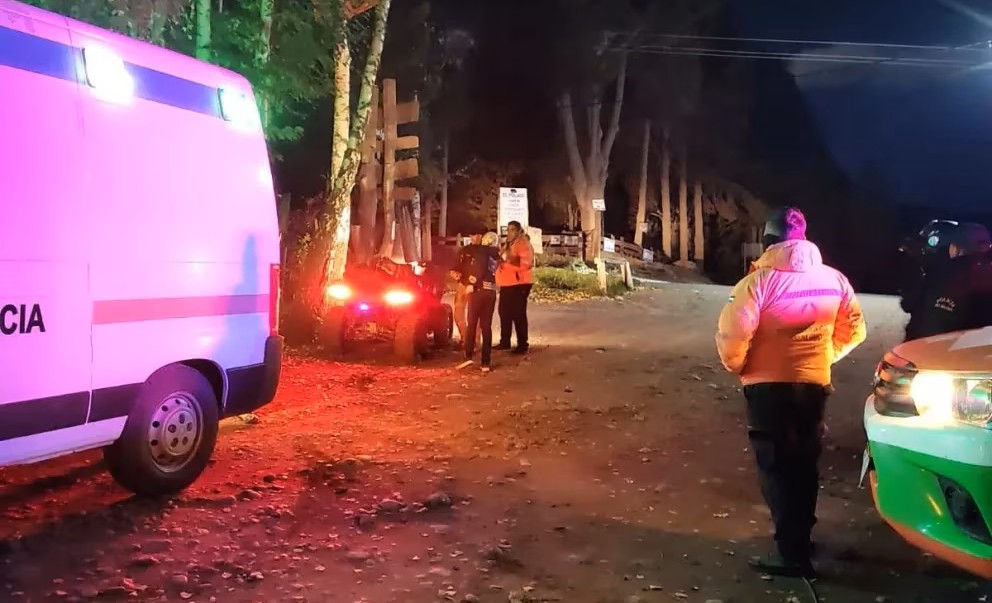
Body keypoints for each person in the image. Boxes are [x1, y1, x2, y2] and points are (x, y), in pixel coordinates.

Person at [715, 207, 867, 578]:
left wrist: (742, 366)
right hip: (813, 386)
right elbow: (855, 330)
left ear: (768, 240)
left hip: (768, 389)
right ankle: (800, 536)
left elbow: (733, 337)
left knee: (777, 468)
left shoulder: (757, 283)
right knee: (804, 464)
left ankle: (791, 554)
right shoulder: (834, 279)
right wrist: (823, 358)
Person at [902, 221, 992, 341]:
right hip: (965, 349)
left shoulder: (935, 272)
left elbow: (908, 304)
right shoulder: (985, 279)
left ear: (955, 248)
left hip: (920, 346)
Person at [453, 231, 501, 371]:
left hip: (478, 291)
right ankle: (485, 362)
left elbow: (478, 269)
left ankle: (468, 357)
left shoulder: (481, 252)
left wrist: (472, 284)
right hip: (491, 291)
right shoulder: (495, 253)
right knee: (486, 327)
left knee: (472, 324)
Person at [496, 221, 534, 354]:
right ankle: (505, 341)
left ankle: (522, 344)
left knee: (518, 314)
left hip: (519, 283)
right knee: (504, 312)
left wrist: (506, 265)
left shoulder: (522, 243)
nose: (509, 232)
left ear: (518, 231)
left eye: (512, 230)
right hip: (508, 283)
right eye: (508, 230)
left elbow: (526, 263)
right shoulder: (509, 244)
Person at [452, 235, 483, 347]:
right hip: (463, 285)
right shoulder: (464, 251)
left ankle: (475, 341)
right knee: (458, 314)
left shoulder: (485, 251)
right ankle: (465, 339)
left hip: (477, 287)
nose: (476, 237)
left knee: (475, 315)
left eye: (478, 235)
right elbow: (455, 266)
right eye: (474, 235)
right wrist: (455, 273)